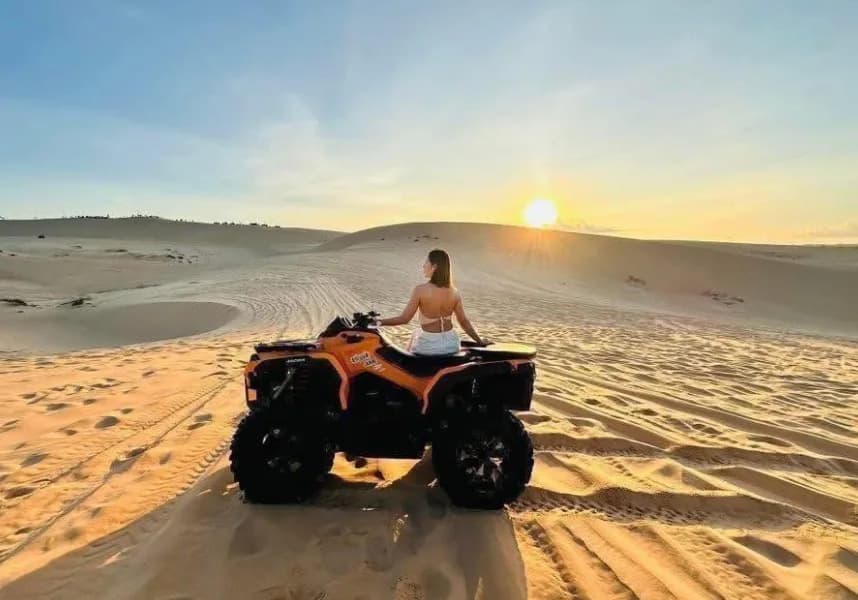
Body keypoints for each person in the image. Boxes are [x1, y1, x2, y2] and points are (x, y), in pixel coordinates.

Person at [376, 248, 486, 355]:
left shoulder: (420, 290)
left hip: (429, 346)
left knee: (414, 339)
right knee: (416, 333)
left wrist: (378, 322)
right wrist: (479, 341)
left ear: (434, 267)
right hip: (452, 343)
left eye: (426, 262)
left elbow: (404, 319)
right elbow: (464, 322)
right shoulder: (454, 292)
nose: (423, 266)